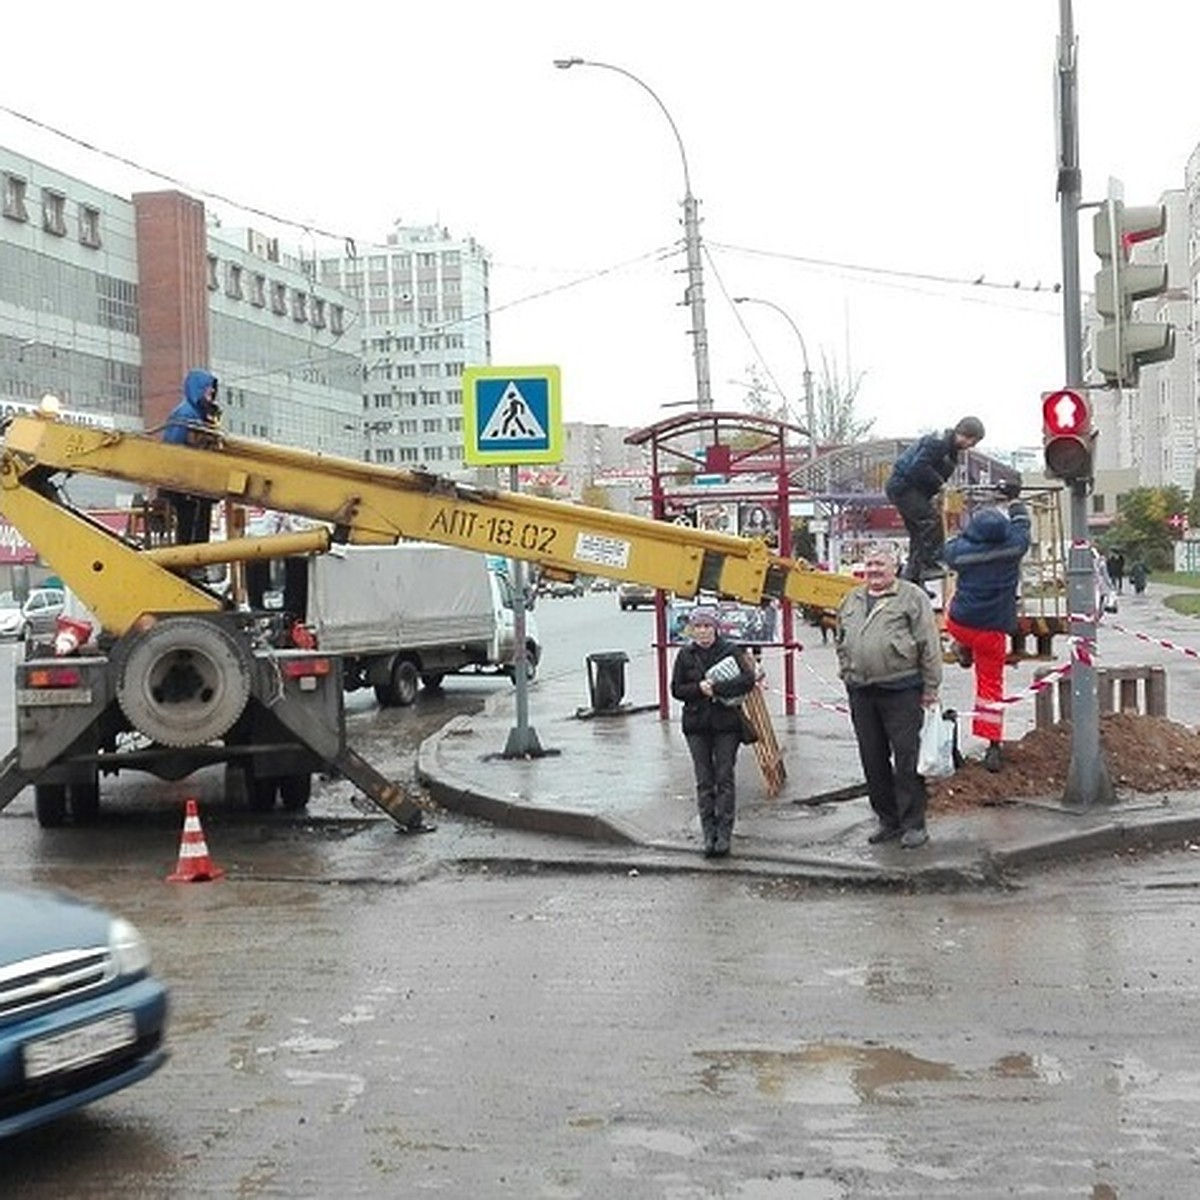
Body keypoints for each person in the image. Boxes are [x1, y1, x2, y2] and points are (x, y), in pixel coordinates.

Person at [835, 543, 942, 849]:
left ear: (895, 567)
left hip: (902, 690)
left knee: (907, 758)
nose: (874, 570)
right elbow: (842, 640)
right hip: (862, 692)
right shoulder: (852, 598)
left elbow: (928, 643)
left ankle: (914, 824)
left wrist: (931, 687)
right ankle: (888, 821)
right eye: (869, 564)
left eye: (880, 564)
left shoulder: (911, 597)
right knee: (872, 758)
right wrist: (847, 672)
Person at [943, 480, 1031, 773]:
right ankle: (992, 746)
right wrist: (1014, 500)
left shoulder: (962, 553)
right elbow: (1022, 523)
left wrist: (964, 520)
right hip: (993, 630)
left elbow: (947, 546)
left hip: (962, 623)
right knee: (990, 686)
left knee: (949, 607)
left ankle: (961, 647)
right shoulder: (1014, 547)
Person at [670, 607, 758, 858]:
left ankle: (724, 833)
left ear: (715, 628)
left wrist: (717, 687)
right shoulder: (686, 655)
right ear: (693, 629)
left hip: (726, 724)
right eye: (698, 627)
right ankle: (708, 833)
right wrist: (699, 688)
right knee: (704, 780)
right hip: (696, 725)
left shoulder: (730, 650)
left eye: (707, 626)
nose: (703, 631)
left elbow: (747, 680)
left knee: (724, 777)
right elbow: (676, 689)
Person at [885, 416, 986, 583]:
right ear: (963, 434)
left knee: (919, 534)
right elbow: (919, 466)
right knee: (931, 521)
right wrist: (940, 485)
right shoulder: (939, 444)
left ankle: (912, 577)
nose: (971, 446)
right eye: (972, 441)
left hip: (909, 489)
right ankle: (929, 564)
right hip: (904, 487)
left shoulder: (949, 450)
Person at [161, 369, 221, 545]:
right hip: (186, 481)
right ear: (199, 389)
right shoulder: (186, 413)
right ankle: (191, 560)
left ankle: (195, 559)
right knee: (189, 522)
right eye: (209, 389)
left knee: (198, 519)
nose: (212, 393)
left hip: (196, 482)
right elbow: (176, 446)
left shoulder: (201, 414)